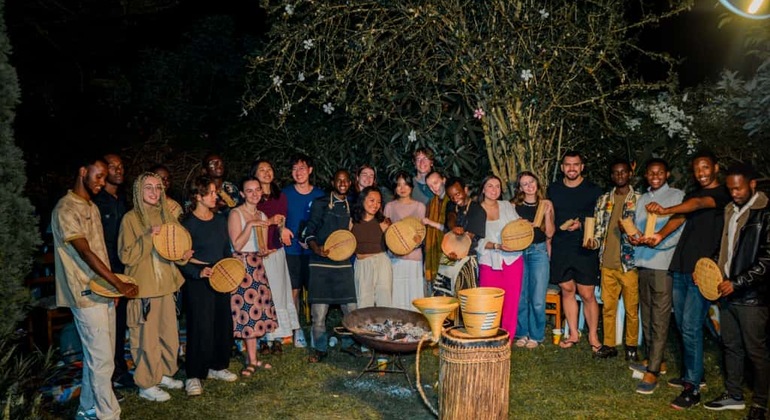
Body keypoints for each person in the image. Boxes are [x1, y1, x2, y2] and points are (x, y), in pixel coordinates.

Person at [52, 156, 138, 420]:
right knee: (102, 359)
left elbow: (101, 251)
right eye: (98, 176)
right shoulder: (66, 209)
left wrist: (110, 290)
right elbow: (86, 252)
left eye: (103, 176)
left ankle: (88, 407)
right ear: (82, 172)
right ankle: (108, 414)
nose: (102, 182)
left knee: (98, 358)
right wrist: (118, 283)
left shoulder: (90, 206)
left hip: (102, 292)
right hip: (85, 295)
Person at [644, 150, 730, 409]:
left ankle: (692, 389)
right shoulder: (693, 193)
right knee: (683, 324)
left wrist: (665, 209)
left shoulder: (722, 194)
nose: (701, 173)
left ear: (716, 167)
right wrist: (660, 235)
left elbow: (697, 205)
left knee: (691, 326)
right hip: (681, 266)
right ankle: (695, 375)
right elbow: (681, 216)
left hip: (701, 271)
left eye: (705, 168)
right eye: (696, 169)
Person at [702, 165, 770, 420]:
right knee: (730, 345)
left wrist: (739, 282)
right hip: (727, 291)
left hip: (752, 296)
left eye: (738, 187)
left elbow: (767, 260)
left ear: (752, 184)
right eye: (730, 188)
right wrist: (709, 270)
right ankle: (734, 395)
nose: (734, 192)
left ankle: (761, 404)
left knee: (756, 351)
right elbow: (725, 249)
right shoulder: (730, 210)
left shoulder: (765, 213)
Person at [118, 172, 188, 401]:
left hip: (167, 286)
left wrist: (183, 255)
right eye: (148, 187)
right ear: (139, 191)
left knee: (169, 336)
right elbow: (126, 256)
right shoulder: (130, 219)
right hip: (145, 289)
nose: (154, 192)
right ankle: (146, 383)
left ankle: (164, 373)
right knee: (145, 339)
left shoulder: (167, 215)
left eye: (158, 187)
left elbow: (175, 247)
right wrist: (148, 236)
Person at [628, 158, 684, 394]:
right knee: (647, 313)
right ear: (646, 175)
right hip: (643, 262)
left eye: (660, 172)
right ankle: (656, 360)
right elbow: (640, 228)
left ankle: (652, 372)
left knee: (660, 318)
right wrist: (634, 237)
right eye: (651, 172)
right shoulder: (642, 198)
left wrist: (656, 242)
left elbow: (677, 227)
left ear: (667, 173)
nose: (655, 176)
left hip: (662, 263)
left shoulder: (677, 196)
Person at [179, 176, 239, 396]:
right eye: (212, 193)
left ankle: (217, 365)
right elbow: (180, 258)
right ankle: (194, 374)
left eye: (216, 192)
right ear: (198, 196)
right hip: (199, 279)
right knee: (200, 326)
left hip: (220, 275)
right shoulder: (187, 225)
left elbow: (226, 250)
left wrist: (232, 273)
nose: (216, 196)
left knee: (222, 323)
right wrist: (198, 272)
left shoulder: (219, 220)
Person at [585, 158, 641, 359]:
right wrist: (593, 243)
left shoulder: (639, 200)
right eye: (616, 172)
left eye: (623, 172)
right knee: (608, 308)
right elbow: (599, 231)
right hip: (607, 263)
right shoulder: (603, 200)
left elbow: (642, 232)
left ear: (630, 174)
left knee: (631, 309)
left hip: (629, 264)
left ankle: (631, 346)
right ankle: (609, 344)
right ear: (611, 176)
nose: (620, 175)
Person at [302, 169, 359, 363]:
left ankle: (349, 343)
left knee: (350, 309)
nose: (342, 183)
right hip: (320, 264)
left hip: (343, 265)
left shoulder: (353, 204)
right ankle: (319, 348)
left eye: (346, 180)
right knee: (319, 313)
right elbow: (309, 231)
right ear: (332, 182)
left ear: (350, 183)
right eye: (338, 180)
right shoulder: (321, 203)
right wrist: (316, 248)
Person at [548, 151, 603, 352]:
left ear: (582, 167)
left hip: (584, 247)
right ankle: (573, 333)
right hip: (561, 246)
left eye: (576, 165)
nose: (572, 168)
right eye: (568, 165)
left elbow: (601, 220)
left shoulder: (594, 190)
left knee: (587, 293)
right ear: (562, 167)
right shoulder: (553, 189)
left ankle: (593, 336)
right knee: (567, 290)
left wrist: (581, 225)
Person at [228, 177, 278, 376]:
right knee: (246, 311)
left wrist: (266, 251)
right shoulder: (236, 214)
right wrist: (251, 224)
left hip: (256, 265)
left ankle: (253, 358)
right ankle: (251, 359)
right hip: (241, 265)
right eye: (249, 191)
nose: (254, 194)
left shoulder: (262, 215)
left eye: (257, 190)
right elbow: (237, 245)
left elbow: (262, 247)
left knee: (257, 310)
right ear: (242, 194)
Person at [250, 159, 300, 354]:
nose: (266, 172)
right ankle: (262, 337)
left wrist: (282, 230)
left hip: (276, 251)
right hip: (258, 252)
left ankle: (278, 336)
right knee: (261, 296)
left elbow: (281, 221)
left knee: (278, 294)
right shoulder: (253, 197)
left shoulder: (281, 196)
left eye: (269, 169)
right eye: (261, 170)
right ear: (254, 174)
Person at [91, 153, 132, 389]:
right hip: (106, 274)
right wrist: (110, 279)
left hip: (125, 271)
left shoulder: (122, 201)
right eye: (113, 166)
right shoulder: (97, 202)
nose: (118, 169)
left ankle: (119, 368)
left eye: (121, 165)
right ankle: (109, 375)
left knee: (120, 324)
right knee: (106, 328)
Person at [282, 154, 325, 347]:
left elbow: (324, 223)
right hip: (291, 250)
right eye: (294, 169)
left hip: (313, 251)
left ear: (310, 170)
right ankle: (296, 328)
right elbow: (278, 219)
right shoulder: (285, 194)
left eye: (302, 168)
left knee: (315, 292)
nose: (298, 172)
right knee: (294, 291)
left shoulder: (319, 195)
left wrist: (313, 241)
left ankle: (318, 330)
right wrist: (282, 230)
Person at [476, 175, 524, 342]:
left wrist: (524, 227)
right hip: (489, 261)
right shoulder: (476, 210)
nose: (494, 190)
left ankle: (506, 341)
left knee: (511, 303)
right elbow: (476, 240)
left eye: (497, 186)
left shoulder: (506, 206)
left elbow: (518, 226)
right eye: (490, 186)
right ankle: (488, 338)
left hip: (512, 260)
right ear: (483, 189)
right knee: (489, 303)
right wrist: (496, 246)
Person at [512, 171, 555, 348]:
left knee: (537, 297)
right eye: (524, 184)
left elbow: (550, 233)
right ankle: (522, 332)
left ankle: (536, 335)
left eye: (531, 182)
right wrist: (522, 226)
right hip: (519, 252)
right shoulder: (514, 206)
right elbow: (509, 232)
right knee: (521, 295)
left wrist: (546, 213)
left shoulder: (546, 203)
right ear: (520, 188)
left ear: (537, 183)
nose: (529, 186)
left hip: (538, 251)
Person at [433, 177, 486, 297]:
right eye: (451, 196)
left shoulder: (477, 210)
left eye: (458, 194)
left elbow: (468, 240)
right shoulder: (451, 205)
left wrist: (455, 251)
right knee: (443, 297)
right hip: (449, 255)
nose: (455, 198)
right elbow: (451, 217)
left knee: (465, 298)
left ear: (465, 190)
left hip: (466, 258)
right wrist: (453, 227)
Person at [383, 171, 426, 310]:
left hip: (414, 257)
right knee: (397, 292)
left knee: (414, 294)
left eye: (405, 184)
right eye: (398, 185)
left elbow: (421, 233)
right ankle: (397, 326)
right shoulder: (390, 206)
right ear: (394, 188)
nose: (402, 188)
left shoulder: (420, 206)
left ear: (411, 186)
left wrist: (417, 240)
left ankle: (415, 327)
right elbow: (386, 232)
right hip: (396, 257)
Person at [350, 186, 392, 308]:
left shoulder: (384, 222)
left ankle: (385, 326)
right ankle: (365, 328)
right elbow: (345, 244)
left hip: (382, 263)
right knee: (363, 301)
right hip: (362, 264)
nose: (375, 205)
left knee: (384, 299)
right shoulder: (352, 221)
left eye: (379, 202)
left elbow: (396, 244)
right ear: (362, 200)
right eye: (372, 200)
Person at [422, 171, 449, 295]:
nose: (434, 188)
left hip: (451, 251)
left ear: (443, 180)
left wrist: (430, 223)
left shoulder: (452, 199)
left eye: (436, 183)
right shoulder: (432, 203)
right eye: (430, 186)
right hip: (435, 251)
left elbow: (450, 228)